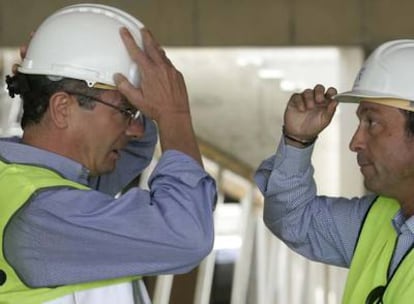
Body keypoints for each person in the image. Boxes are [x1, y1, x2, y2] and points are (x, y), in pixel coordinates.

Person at [0, 3, 216, 304]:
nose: (137, 130)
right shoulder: (45, 214)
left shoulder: (23, 180)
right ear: (62, 108)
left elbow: (136, 148)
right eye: (125, 110)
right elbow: (186, 234)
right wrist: (174, 115)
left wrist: (50, 69)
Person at [255, 39, 414, 303]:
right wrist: (297, 141)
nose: (355, 142)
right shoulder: (378, 220)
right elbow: (293, 219)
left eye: (372, 122)